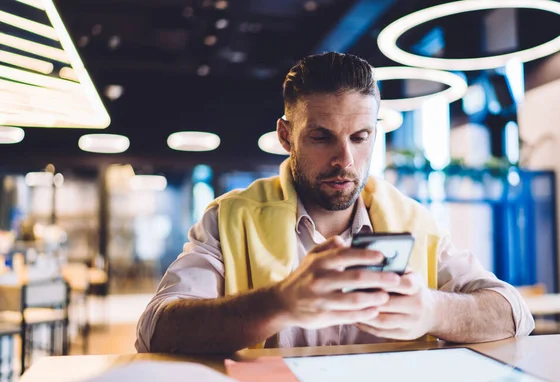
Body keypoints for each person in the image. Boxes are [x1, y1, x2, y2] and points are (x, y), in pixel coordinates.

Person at [136, 52, 534, 354]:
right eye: (322, 137)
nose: (344, 160)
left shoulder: (414, 220)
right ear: (286, 136)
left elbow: (514, 314)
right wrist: (278, 303)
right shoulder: (229, 217)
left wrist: (433, 311)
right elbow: (156, 328)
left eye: (360, 137)